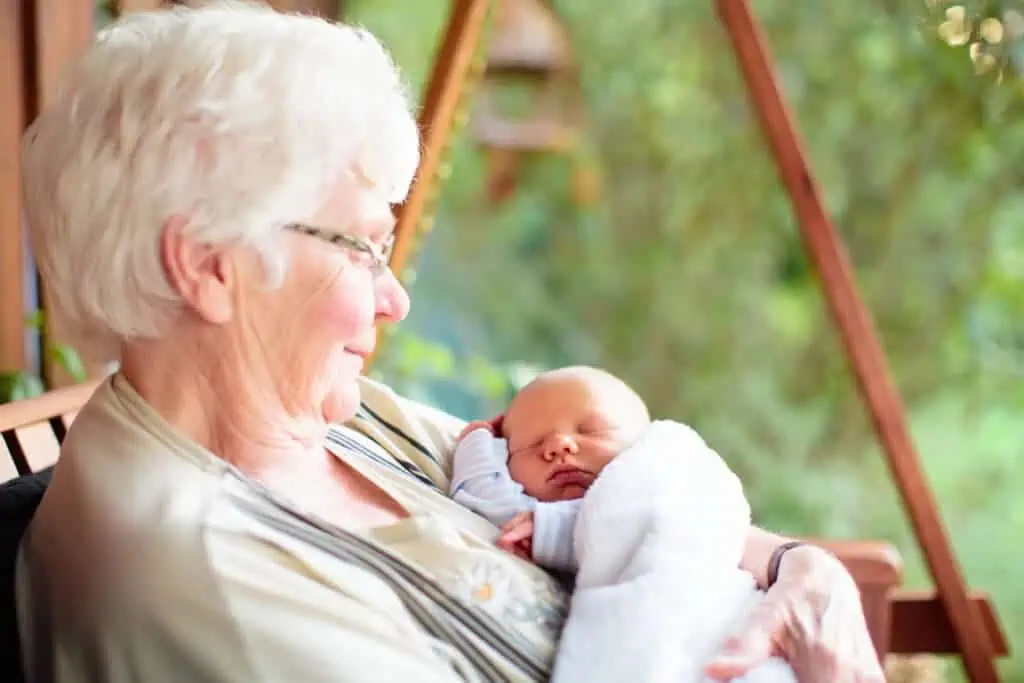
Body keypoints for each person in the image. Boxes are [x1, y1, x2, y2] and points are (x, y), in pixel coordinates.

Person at [14, 3, 885, 682]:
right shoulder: (208, 588)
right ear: (210, 266)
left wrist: (806, 570)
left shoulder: (334, 420)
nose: (393, 297)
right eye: (360, 246)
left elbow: (626, 501)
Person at [449, 366, 798, 683]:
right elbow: (480, 498)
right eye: (532, 445)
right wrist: (478, 440)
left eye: (592, 429)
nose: (559, 445)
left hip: (728, 631)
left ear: (641, 442)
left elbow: (639, 513)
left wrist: (553, 530)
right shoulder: (525, 519)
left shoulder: (660, 476)